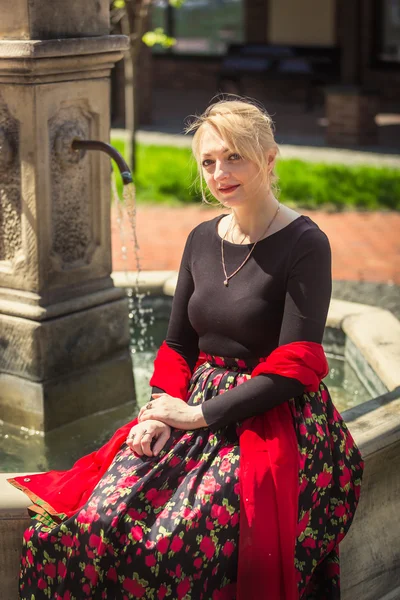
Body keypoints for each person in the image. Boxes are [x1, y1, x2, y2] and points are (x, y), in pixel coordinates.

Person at [9, 98, 363, 600]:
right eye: (209, 161)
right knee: (92, 519)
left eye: (234, 157)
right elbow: (178, 344)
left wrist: (197, 415)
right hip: (186, 405)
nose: (220, 173)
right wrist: (157, 412)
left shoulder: (306, 243)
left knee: (173, 546)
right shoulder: (201, 238)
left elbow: (296, 364)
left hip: (270, 415)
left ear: (269, 157)